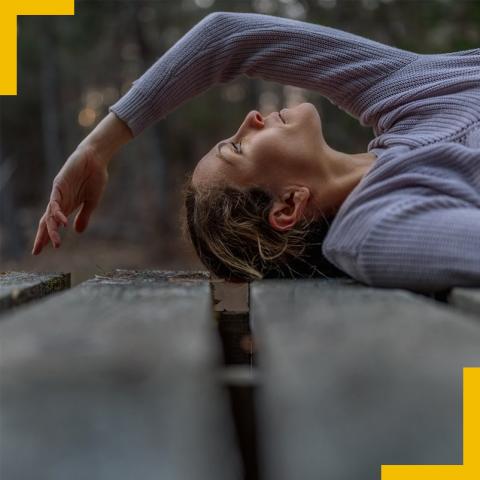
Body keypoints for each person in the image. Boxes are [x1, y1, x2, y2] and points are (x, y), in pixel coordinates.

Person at [32, 11, 480, 292]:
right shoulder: (376, 229)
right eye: (238, 147)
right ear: (288, 205)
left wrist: (98, 144)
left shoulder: (405, 95)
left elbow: (226, 37)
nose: (251, 117)